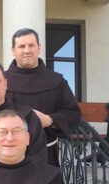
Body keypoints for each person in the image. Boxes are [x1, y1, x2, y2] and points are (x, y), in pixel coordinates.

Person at [5, 28, 81, 166]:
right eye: (21, 46)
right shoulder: (0, 81)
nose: (27, 50)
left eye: (31, 45)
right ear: (13, 50)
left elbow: (72, 114)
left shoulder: (56, 81)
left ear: (39, 48)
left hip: (46, 155)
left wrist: (50, 120)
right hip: (8, 155)